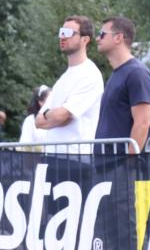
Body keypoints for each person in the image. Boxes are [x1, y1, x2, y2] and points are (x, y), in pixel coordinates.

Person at [34, 15, 104, 153]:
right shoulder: (63, 78)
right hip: (51, 155)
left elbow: (61, 116)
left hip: (75, 156)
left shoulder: (90, 74)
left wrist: (55, 116)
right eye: (61, 32)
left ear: (85, 39)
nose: (62, 37)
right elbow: (38, 121)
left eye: (68, 33)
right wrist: (55, 116)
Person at [95, 16, 150, 153]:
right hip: (108, 162)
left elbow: (142, 123)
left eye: (102, 34)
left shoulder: (137, 73)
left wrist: (130, 161)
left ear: (118, 38)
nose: (97, 38)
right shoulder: (118, 73)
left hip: (123, 163)